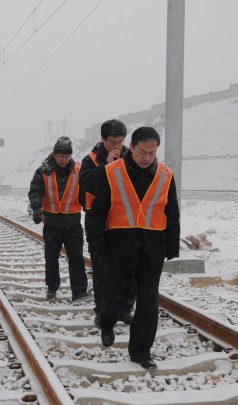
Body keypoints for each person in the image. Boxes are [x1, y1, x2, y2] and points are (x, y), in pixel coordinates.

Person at [87, 127, 180, 370]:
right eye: (142, 152)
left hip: (152, 250)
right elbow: (97, 214)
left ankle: (140, 352)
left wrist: (172, 248)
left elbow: (172, 214)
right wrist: (96, 245)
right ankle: (107, 324)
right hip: (118, 247)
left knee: (148, 303)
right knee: (112, 298)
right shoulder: (112, 172)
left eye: (152, 153)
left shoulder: (166, 175)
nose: (147, 157)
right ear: (132, 147)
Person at [79, 119, 136, 328]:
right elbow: (86, 184)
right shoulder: (91, 160)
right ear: (103, 139)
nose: (117, 146)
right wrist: (107, 166)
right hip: (98, 221)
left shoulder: (131, 156)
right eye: (113, 141)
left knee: (128, 267)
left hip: (124, 219)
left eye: (121, 141)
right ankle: (102, 310)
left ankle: (125, 309)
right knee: (102, 268)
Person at [28, 136, 88, 302]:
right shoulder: (43, 171)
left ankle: (80, 291)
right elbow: (35, 191)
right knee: (51, 257)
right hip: (52, 223)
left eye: (67, 156)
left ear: (71, 156)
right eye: (61, 156)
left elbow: (85, 193)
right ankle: (52, 288)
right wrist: (36, 208)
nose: (63, 159)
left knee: (76, 258)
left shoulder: (78, 170)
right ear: (54, 155)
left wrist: (91, 208)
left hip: (73, 223)